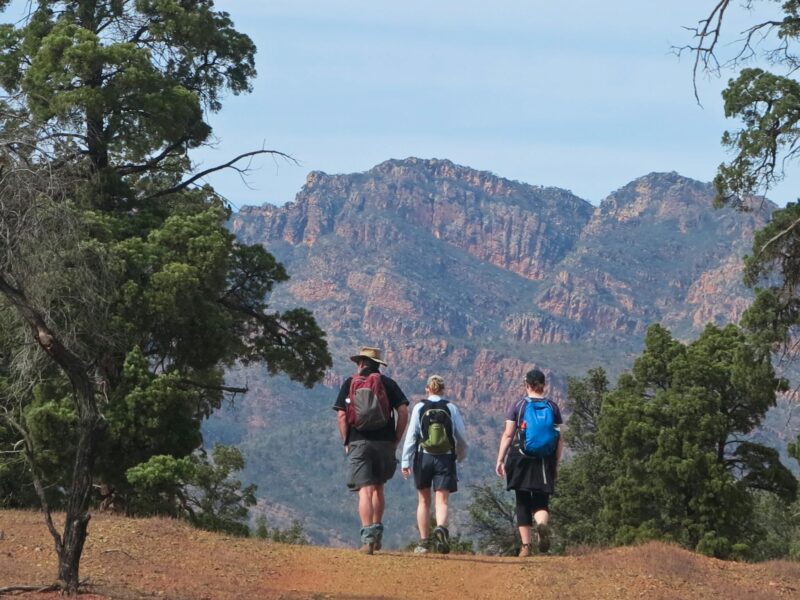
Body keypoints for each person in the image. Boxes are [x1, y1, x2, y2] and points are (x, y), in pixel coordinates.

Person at [333, 346, 409, 554]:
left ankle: (367, 538)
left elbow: (341, 416)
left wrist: (347, 441)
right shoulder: (388, 383)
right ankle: (377, 535)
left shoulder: (350, 383)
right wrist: (395, 439)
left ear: (360, 363)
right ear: (378, 365)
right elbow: (403, 412)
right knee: (378, 487)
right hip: (385, 443)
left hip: (359, 442)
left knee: (364, 490)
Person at [495, 368, 563, 557]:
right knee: (541, 500)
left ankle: (526, 546)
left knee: (522, 500)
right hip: (544, 460)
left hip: (521, 458)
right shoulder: (553, 407)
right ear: (543, 385)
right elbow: (560, 439)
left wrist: (501, 459)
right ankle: (541, 525)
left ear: (527, 385)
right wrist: (555, 464)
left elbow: (508, 434)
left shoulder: (519, 406)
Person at [400, 374, 468, 554]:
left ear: (427, 389)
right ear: (443, 389)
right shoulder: (451, 408)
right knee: (442, 500)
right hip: (445, 458)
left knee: (423, 501)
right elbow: (461, 437)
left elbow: (411, 436)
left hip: (423, 458)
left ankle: (423, 542)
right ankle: (441, 529)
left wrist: (405, 461)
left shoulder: (420, 407)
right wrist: (459, 456)